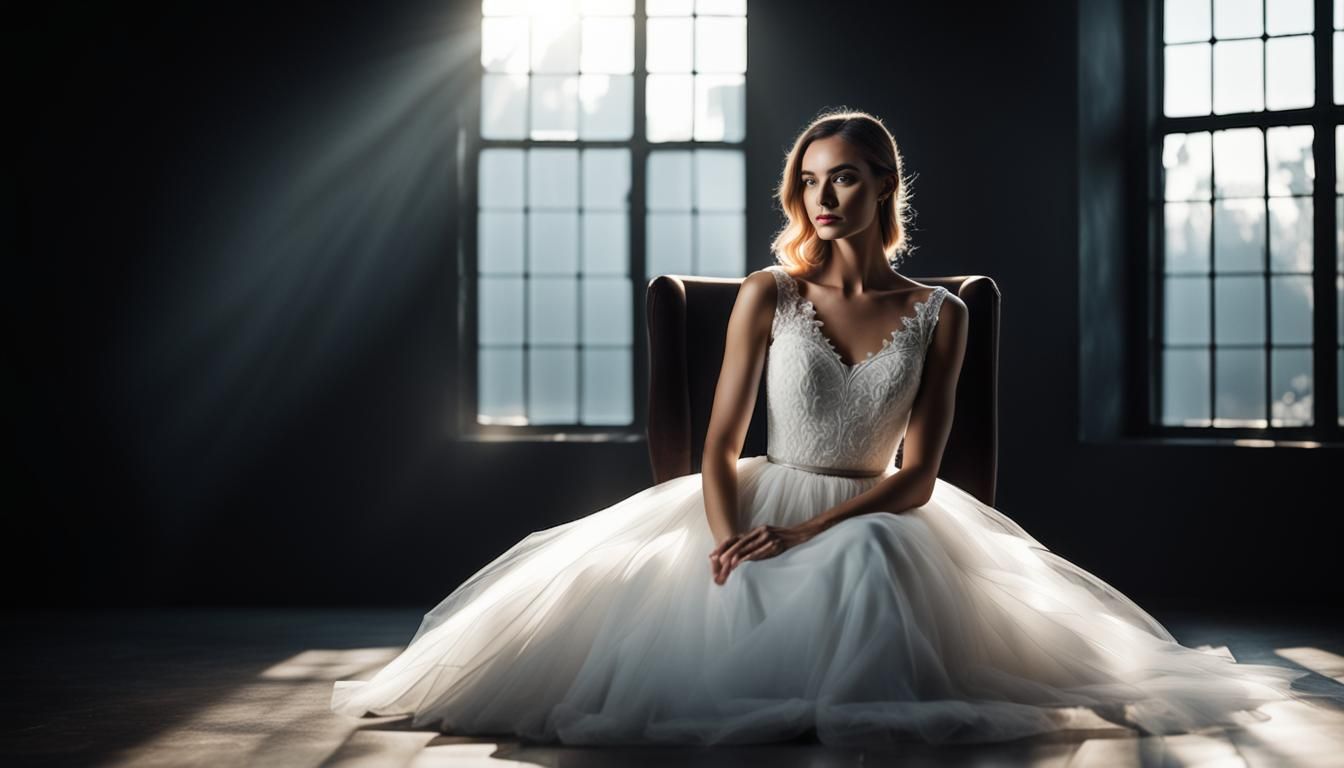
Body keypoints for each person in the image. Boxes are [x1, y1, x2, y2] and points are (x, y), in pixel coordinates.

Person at [330, 108, 1312, 746]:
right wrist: (728, 540)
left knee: (870, 559)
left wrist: (804, 532)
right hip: (752, 493)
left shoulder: (943, 312)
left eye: (843, 177)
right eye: (809, 180)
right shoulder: (768, 295)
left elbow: (921, 474)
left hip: (880, 506)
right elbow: (717, 447)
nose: (823, 196)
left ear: (884, 183)